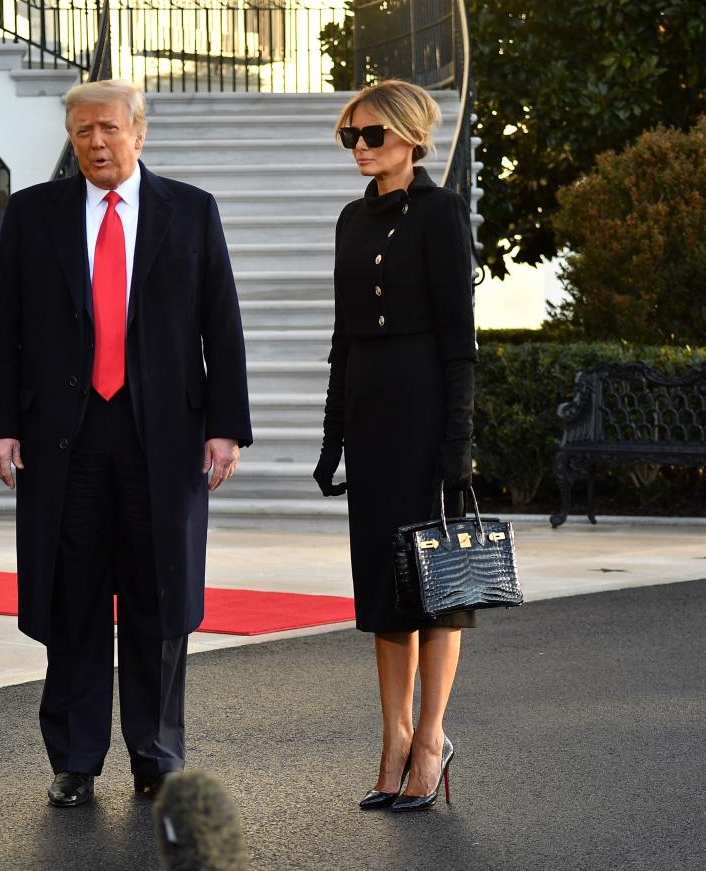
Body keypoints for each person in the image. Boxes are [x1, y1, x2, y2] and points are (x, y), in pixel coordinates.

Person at [0, 79, 251, 808]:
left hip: (161, 434)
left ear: (139, 131)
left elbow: (219, 322)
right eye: (80, 131)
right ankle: (75, 758)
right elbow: (0, 327)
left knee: (159, 597)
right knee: (73, 597)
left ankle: (156, 754)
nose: (94, 142)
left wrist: (225, 427)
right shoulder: (34, 214)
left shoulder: (190, 211)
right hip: (62, 436)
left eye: (106, 128)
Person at [313, 80, 477, 812]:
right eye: (352, 137)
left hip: (424, 415)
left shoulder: (441, 215)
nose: (361, 148)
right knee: (384, 596)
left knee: (434, 589)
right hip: (373, 423)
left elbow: (460, 344)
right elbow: (343, 339)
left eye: (372, 135)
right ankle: (393, 740)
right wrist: (331, 436)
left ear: (410, 136)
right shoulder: (350, 220)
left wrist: (458, 445)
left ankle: (431, 739)